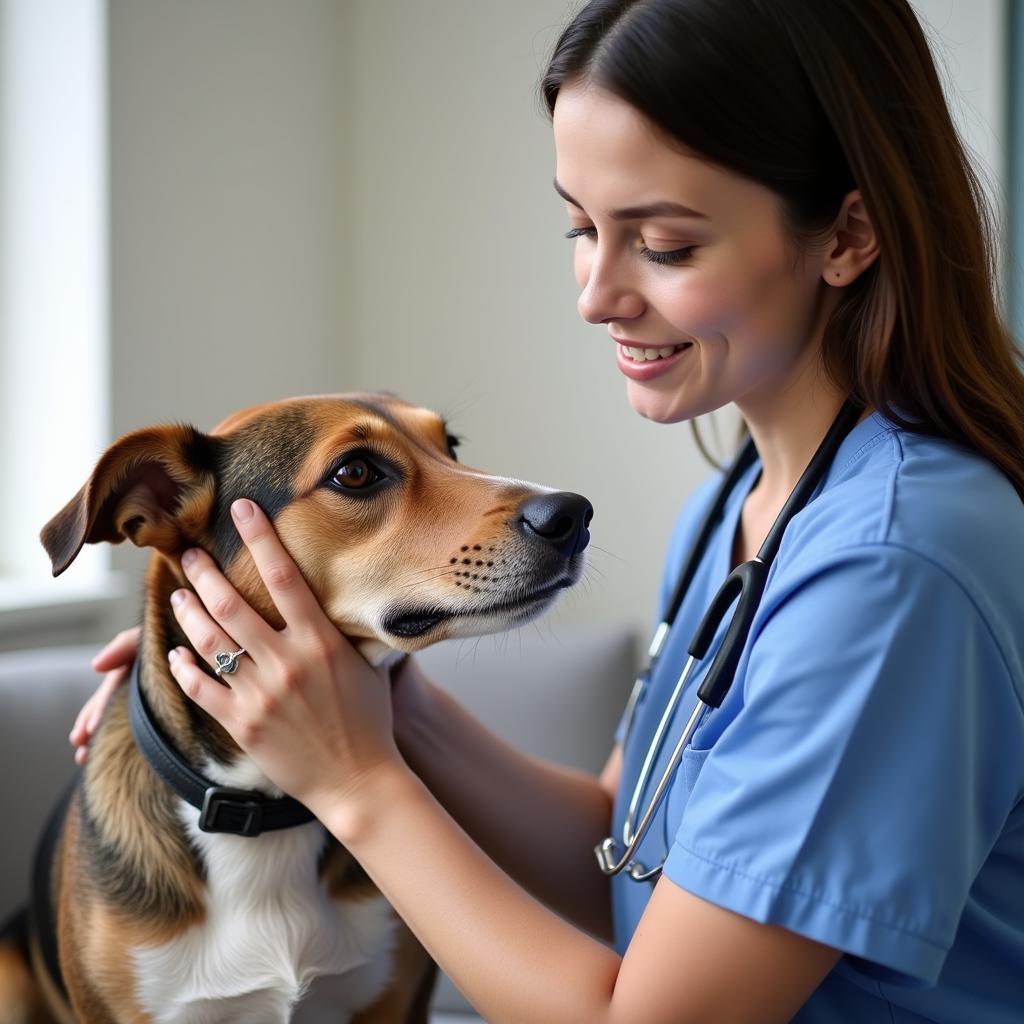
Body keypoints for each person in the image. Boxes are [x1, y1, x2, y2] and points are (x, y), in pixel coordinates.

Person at [70, 0, 1024, 1020]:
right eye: (581, 227)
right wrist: (376, 700)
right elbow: (628, 848)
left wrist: (353, 781)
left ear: (846, 235)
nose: (595, 293)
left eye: (660, 243)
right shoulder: (745, 501)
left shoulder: (890, 567)